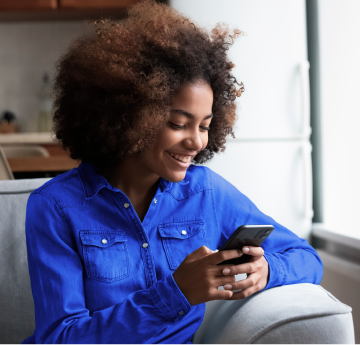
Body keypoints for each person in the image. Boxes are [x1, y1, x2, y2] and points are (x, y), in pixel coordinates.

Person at [22, 1, 323, 344]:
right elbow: (60, 338)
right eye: (178, 124)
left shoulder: (205, 193)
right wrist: (177, 293)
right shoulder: (55, 206)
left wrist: (266, 270)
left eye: (205, 126)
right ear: (129, 116)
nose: (196, 141)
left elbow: (306, 257)